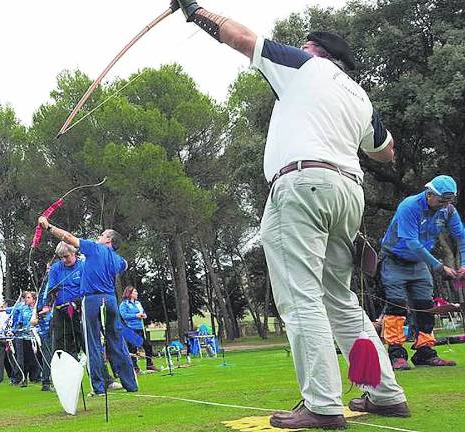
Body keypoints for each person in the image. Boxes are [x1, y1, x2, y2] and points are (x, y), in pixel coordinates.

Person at [170, 1, 407, 428]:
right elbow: (386, 151)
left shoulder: (306, 66)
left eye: (302, 46)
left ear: (315, 50)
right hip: (348, 192)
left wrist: (194, 11)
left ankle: (322, 404)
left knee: (302, 299)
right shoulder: (359, 94)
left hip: (301, 185)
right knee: (342, 302)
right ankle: (385, 393)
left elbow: (242, 39)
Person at [37, 215, 138, 396]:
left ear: (108, 240)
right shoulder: (117, 259)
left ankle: (98, 388)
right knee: (116, 342)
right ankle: (130, 384)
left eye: (102, 235)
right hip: (111, 301)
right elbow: (125, 264)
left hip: (92, 300)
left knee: (92, 344)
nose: (99, 236)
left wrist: (48, 227)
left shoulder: (95, 248)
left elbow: (68, 237)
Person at [378, 175, 464, 370]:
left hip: (419, 262)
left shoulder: (448, 211)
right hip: (394, 260)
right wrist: (439, 267)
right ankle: (396, 354)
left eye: (449, 201)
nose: (444, 205)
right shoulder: (409, 206)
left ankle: (425, 352)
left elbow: (461, 237)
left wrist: (464, 265)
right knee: (397, 305)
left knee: (426, 306)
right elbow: (412, 243)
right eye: (442, 200)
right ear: (429, 194)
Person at [47, 242, 85, 359]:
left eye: (66, 256)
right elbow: (52, 289)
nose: (64, 259)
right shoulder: (55, 268)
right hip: (60, 310)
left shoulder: (83, 267)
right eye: (61, 257)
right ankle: (62, 374)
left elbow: (87, 290)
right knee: (59, 343)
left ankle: (99, 375)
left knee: (85, 341)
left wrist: (75, 303)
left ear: (74, 253)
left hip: (79, 309)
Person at [119, 286, 157, 372]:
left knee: (147, 346)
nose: (137, 293)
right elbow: (124, 316)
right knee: (132, 348)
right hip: (131, 329)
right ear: (130, 293)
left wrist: (144, 315)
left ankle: (149, 365)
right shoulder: (124, 304)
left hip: (141, 328)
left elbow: (143, 313)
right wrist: (136, 316)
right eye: (135, 292)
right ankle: (135, 368)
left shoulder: (138, 304)